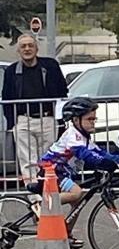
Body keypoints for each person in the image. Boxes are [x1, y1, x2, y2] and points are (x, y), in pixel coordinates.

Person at [36, 97, 119, 249]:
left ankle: (66, 234)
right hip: (51, 171)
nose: (93, 122)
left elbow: (99, 152)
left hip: (62, 173)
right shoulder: (72, 135)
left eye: (94, 119)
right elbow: (84, 154)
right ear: (76, 120)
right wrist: (102, 163)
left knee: (78, 200)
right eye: (89, 119)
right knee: (76, 192)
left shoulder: (84, 137)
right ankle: (41, 206)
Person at [1, 34, 68, 184]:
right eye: (23, 46)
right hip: (23, 120)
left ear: (37, 48)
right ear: (18, 50)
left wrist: (57, 116)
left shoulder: (50, 66)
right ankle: (33, 193)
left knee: (48, 160)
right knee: (27, 161)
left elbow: (62, 90)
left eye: (30, 45)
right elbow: (6, 98)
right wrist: (13, 123)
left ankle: (48, 191)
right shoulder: (12, 71)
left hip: (47, 119)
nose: (27, 49)